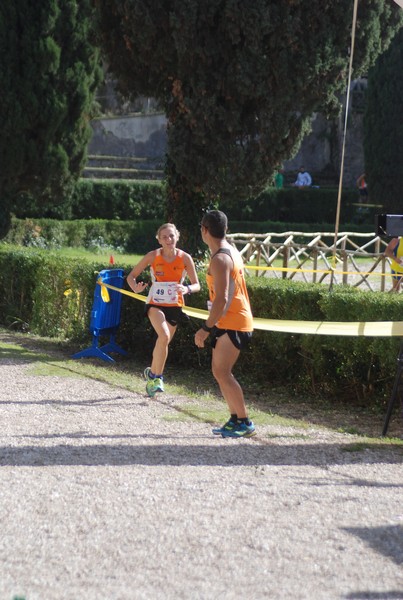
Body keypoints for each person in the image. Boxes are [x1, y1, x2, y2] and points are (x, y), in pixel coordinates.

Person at [194, 210, 255, 438]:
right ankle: (234, 418)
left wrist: (206, 328)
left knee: (223, 371)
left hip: (234, 322)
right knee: (219, 372)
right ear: (225, 229)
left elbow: (222, 298)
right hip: (231, 320)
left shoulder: (220, 258)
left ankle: (244, 421)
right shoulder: (229, 251)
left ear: (204, 230)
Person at [127, 223, 200, 396]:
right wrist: (135, 288)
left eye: (171, 236)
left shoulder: (185, 258)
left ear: (177, 237)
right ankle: (157, 378)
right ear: (159, 240)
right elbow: (131, 276)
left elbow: (197, 284)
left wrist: (187, 289)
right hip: (155, 303)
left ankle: (152, 373)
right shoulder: (153, 256)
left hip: (175, 305)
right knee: (164, 335)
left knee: (163, 342)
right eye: (164, 237)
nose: (168, 240)